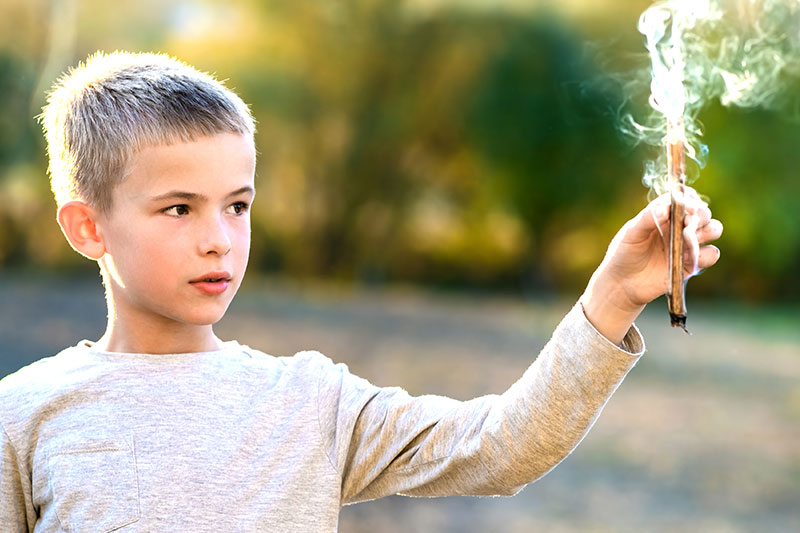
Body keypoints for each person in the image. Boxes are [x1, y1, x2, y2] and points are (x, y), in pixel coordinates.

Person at [0, 51, 723, 532]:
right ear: (88, 226)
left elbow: (501, 446)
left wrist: (614, 294)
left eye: (238, 204)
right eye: (179, 208)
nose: (219, 237)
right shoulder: (26, 414)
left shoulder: (310, 400)